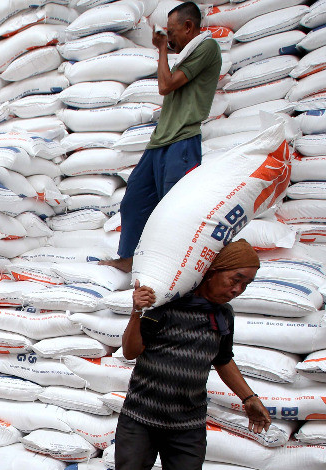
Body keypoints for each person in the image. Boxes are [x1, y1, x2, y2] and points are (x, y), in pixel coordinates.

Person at [105, 240, 271, 470]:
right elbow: (131, 350)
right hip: (142, 412)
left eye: (245, 285)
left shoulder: (222, 316)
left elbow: (223, 359)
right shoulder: (165, 304)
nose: (237, 289)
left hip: (188, 420)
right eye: (234, 279)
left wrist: (248, 396)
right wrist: (137, 310)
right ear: (211, 272)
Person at [101, 1, 221, 273]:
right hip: (159, 142)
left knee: (174, 210)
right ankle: (129, 257)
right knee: (134, 200)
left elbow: (166, 85)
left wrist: (161, 50)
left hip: (183, 141)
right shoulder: (187, 52)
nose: (170, 37)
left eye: (173, 31)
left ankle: (173, 268)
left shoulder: (207, 47)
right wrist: (166, 48)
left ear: (189, 26)